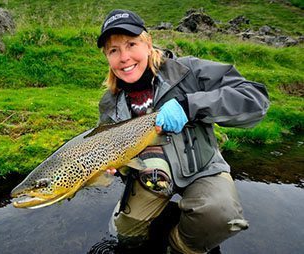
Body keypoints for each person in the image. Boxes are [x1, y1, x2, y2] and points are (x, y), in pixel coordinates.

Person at [96, 9, 269, 254]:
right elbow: (116, 158)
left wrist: (191, 106)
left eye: (131, 44)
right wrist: (113, 168)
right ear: (107, 57)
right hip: (151, 179)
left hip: (202, 168)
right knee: (125, 233)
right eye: (114, 50)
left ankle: (179, 245)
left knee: (219, 214)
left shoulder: (188, 71)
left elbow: (254, 99)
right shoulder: (108, 103)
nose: (124, 57)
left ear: (147, 43)